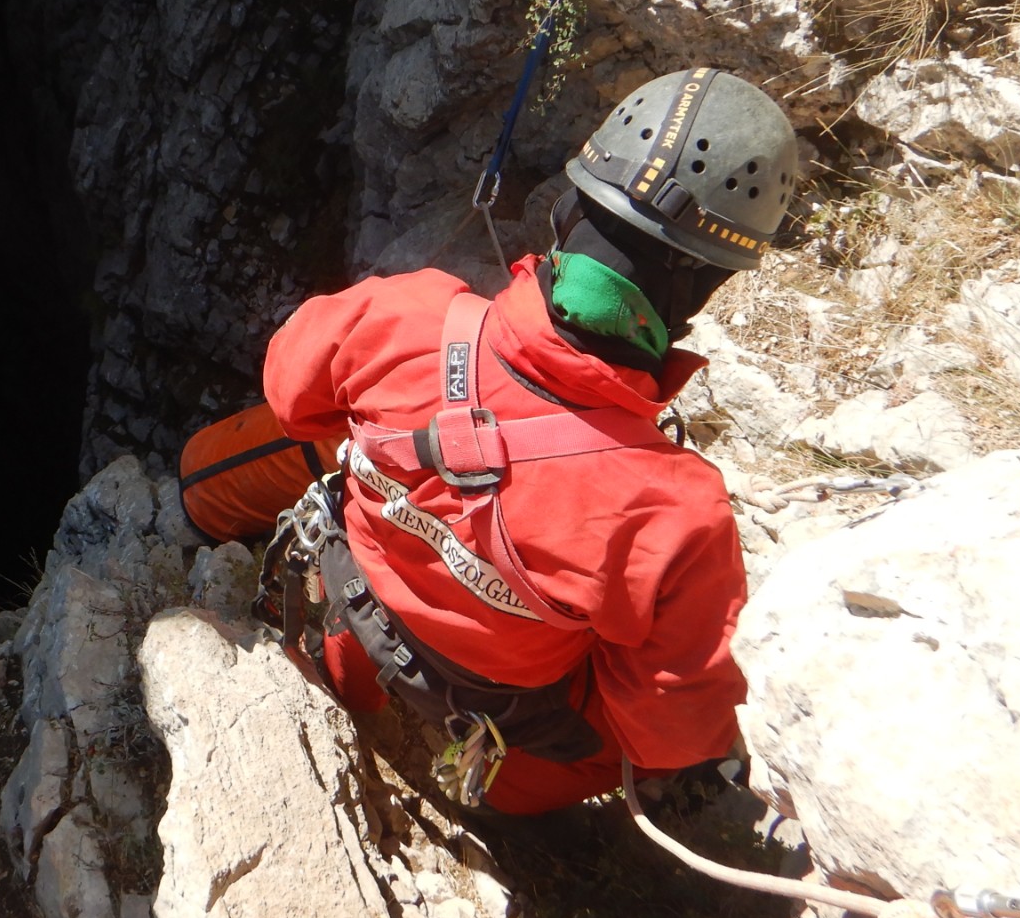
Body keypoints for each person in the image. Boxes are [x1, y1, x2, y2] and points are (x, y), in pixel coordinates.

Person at [262, 67, 798, 815]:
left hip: (354, 617)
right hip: (509, 745)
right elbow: (670, 732)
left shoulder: (402, 315)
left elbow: (290, 396)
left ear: (568, 210)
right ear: (707, 290)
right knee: (644, 732)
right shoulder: (678, 514)